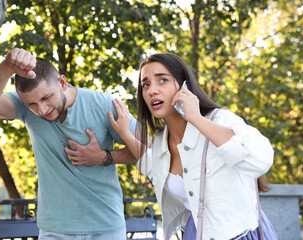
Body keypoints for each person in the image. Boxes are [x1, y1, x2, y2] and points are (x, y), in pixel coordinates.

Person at [73, 53, 278, 239]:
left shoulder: (219, 119)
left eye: (163, 80)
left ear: (184, 86)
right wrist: (125, 134)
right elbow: (151, 166)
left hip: (239, 233)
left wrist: (195, 118)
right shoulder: (162, 140)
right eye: (146, 85)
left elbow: (260, 159)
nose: (152, 90)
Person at [0, 48, 138, 240]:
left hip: (105, 227)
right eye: (32, 104)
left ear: (62, 83)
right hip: (54, 230)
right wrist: (7, 66)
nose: (41, 109)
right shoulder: (24, 108)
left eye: (46, 97)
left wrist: (105, 157)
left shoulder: (103, 104)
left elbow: (145, 149)